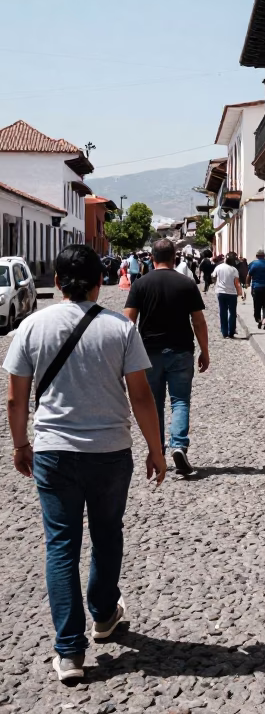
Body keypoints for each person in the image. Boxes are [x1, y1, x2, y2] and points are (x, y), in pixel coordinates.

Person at [4, 245, 166, 684]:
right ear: (100, 282)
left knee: (61, 546)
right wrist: (156, 448)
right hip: (111, 452)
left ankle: (70, 652)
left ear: (56, 282)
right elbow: (141, 395)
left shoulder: (31, 326)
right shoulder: (120, 329)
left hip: (53, 451)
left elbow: (16, 397)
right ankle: (103, 614)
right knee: (107, 532)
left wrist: (21, 445)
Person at [124, 238, 210, 478]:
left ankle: (157, 449)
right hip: (181, 350)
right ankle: (179, 445)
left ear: (152, 258)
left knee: (154, 403)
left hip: (148, 353)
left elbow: (128, 322)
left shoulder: (140, 284)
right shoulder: (186, 283)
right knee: (180, 401)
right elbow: (199, 321)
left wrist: (124, 355)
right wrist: (205, 350)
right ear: (175, 258)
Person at [213, 251, 245, 339]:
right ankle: (231, 331)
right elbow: (237, 283)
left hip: (220, 292)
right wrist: (240, 293)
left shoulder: (218, 267)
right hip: (232, 293)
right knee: (232, 312)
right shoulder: (234, 270)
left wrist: (216, 284)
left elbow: (213, 276)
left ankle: (224, 332)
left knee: (222, 312)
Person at [247, 248, 265, 331]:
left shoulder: (252, 264)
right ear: (264, 256)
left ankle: (258, 319)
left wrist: (247, 284)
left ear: (256, 256)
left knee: (257, 305)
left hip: (256, 287)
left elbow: (249, 275)